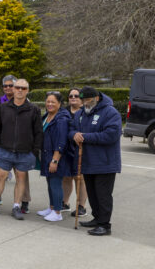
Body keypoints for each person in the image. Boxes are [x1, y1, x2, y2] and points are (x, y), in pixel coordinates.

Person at [0, 79, 42, 220]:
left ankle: (16, 207)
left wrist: (34, 151)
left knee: (21, 178)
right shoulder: (3, 108)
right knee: (0, 176)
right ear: (13, 89)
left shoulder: (34, 109)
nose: (20, 90)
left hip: (25, 152)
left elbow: (38, 132)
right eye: (17, 87)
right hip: (4, 150)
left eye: (23, 88)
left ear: (27, 90)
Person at [70, 87, 122, 236]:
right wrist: (74, 135)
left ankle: (105, 225)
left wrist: (85, 137)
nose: (85, 103)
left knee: (103, 195)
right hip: (87, 161)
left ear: (96, 98)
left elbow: (111, 135)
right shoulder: (80, 113)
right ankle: (97, 218)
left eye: (87, 100)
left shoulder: (110, 112)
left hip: (105, 163)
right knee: (92, 194)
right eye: (83, 100)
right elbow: (72, 129)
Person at [37, 91, 73, 222]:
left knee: (56, 183)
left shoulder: (62, 119)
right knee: (50, 182)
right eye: (48, 101)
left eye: (53, 102)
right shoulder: (47, 116)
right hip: (47, 155)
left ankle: (57, 212)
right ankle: (52, 207)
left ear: (59, 103)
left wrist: (55, 160)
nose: (50, 104)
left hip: (56, 157)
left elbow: (61, 141)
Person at [63, 87, 88, 217]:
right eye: (70, 96)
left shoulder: (86, 113)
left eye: (76, 96)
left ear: (82, 99)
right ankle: (65, 203)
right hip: (65, 149)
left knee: (80, 178)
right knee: (66, 177)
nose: (73, 98)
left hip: (80, 149)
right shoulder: (63, 112)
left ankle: (81, 206)